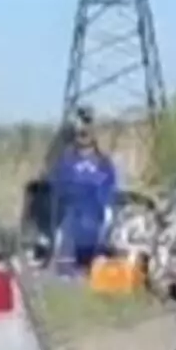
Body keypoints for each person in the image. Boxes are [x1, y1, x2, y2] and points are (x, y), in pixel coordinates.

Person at [48, 115, 117, 274]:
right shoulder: (66, 161)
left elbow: (110, 190)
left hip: (95, 220)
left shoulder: (104, 163)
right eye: (80, 132)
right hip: (71, 220)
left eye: (87, 131)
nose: (84, 135)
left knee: (97, 262)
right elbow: (57, 188)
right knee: (66, 265)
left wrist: (106, 209)